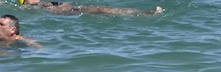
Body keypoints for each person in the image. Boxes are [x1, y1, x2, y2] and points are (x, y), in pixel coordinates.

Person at [15, 1, 163, 14]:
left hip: (74, 9)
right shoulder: (31, 4)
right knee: (102, 9)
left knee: (103, 9)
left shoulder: (40, 3)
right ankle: (148, 13)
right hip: (72, 12)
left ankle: (146, 12)